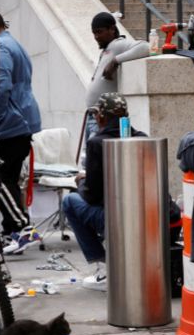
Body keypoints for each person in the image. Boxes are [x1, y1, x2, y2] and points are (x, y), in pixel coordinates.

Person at [62, 93, 145, 291]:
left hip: (116, 218)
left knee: (69, 202)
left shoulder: (97, 143)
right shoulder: (141, 138)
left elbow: (91, 195)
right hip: (145, 216)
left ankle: (104, 267)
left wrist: (83, 181)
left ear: (100, 117)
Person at [0, 8, 41, 238]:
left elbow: (0, 85)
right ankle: (12, 229)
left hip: (12, 123)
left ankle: (22, 227)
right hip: (21, 121)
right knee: (8, 177)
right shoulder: (13, 44)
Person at [85, 12, 150, 141]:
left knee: (96, 158)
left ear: (112, 29)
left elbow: (146, 47)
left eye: (99, 32)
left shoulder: (118, 44)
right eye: (94, 33)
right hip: (94, 117)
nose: (96, 36)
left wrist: (115, 61)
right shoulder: (108, 48)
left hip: (102, 120)